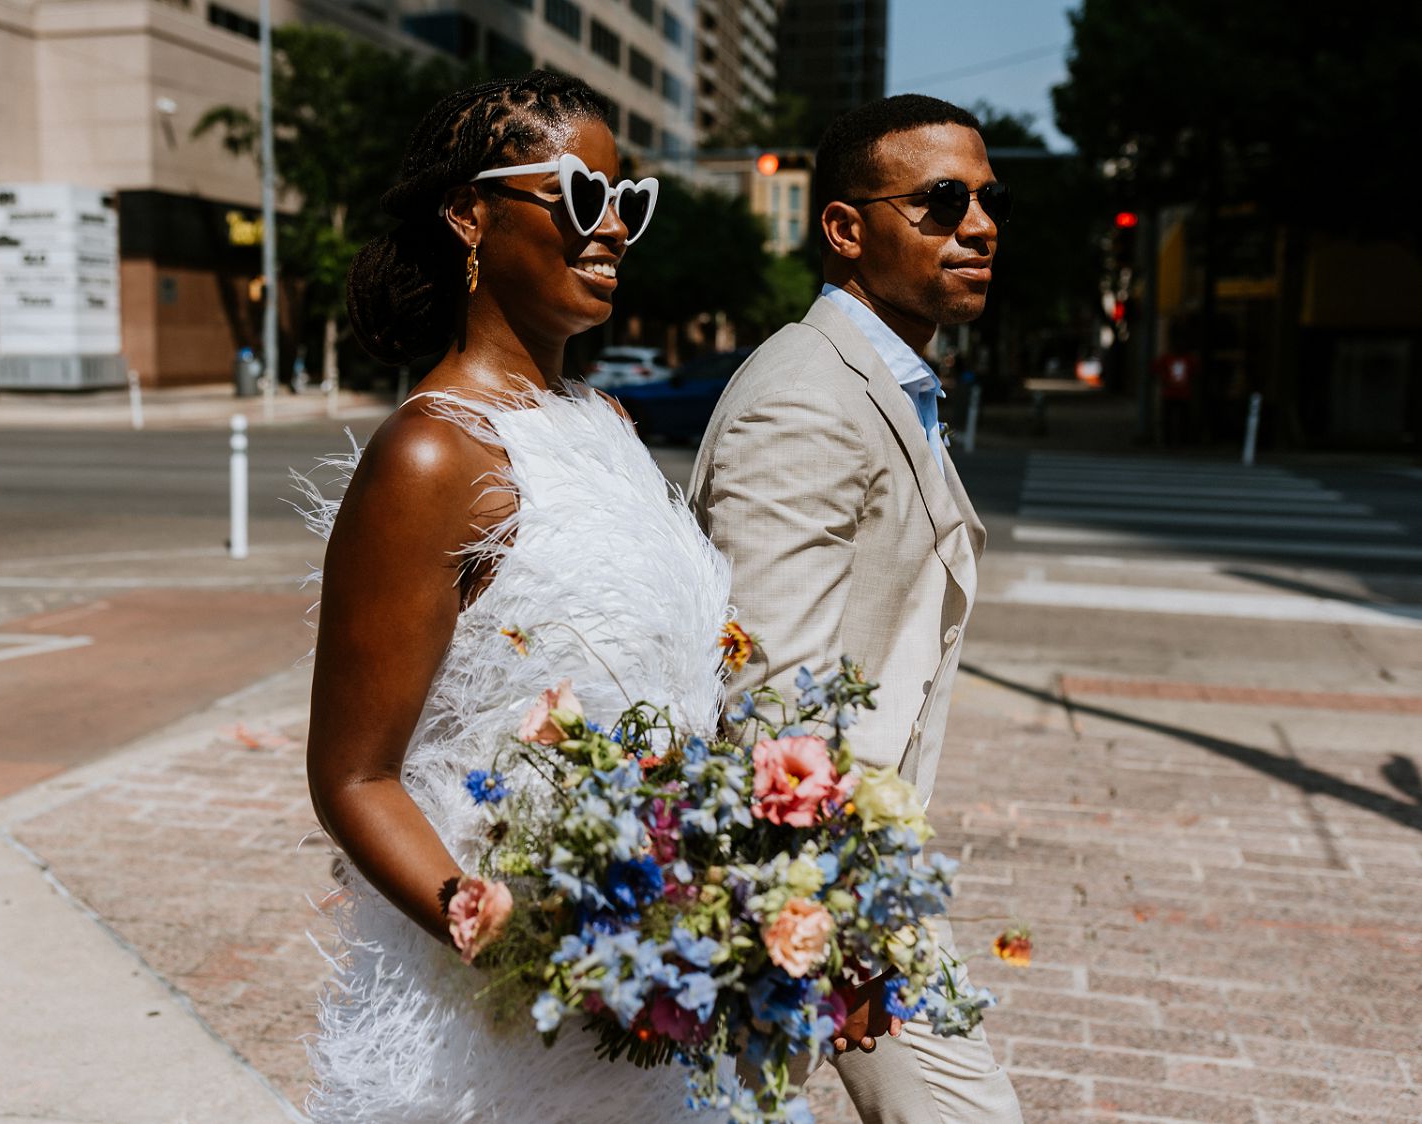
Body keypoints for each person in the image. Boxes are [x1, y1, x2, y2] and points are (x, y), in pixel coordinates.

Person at [303, 71, 731, 1122]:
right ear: (471, 215)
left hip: (641, 1000)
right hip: (489, 1026)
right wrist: (512, 944)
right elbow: (354, 773)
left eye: (628, 202)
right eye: (581, 197)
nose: (613, 229)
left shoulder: (607, 424)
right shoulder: (432, 452)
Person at [691, 95, 1023, 1123]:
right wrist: (831, 925)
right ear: (844, 228)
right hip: (811, 881)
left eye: (985, 199)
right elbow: (765, 692)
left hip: (862, 870)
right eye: (941, 201)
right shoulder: (807, 397)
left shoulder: (889, 378)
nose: (979, 224)